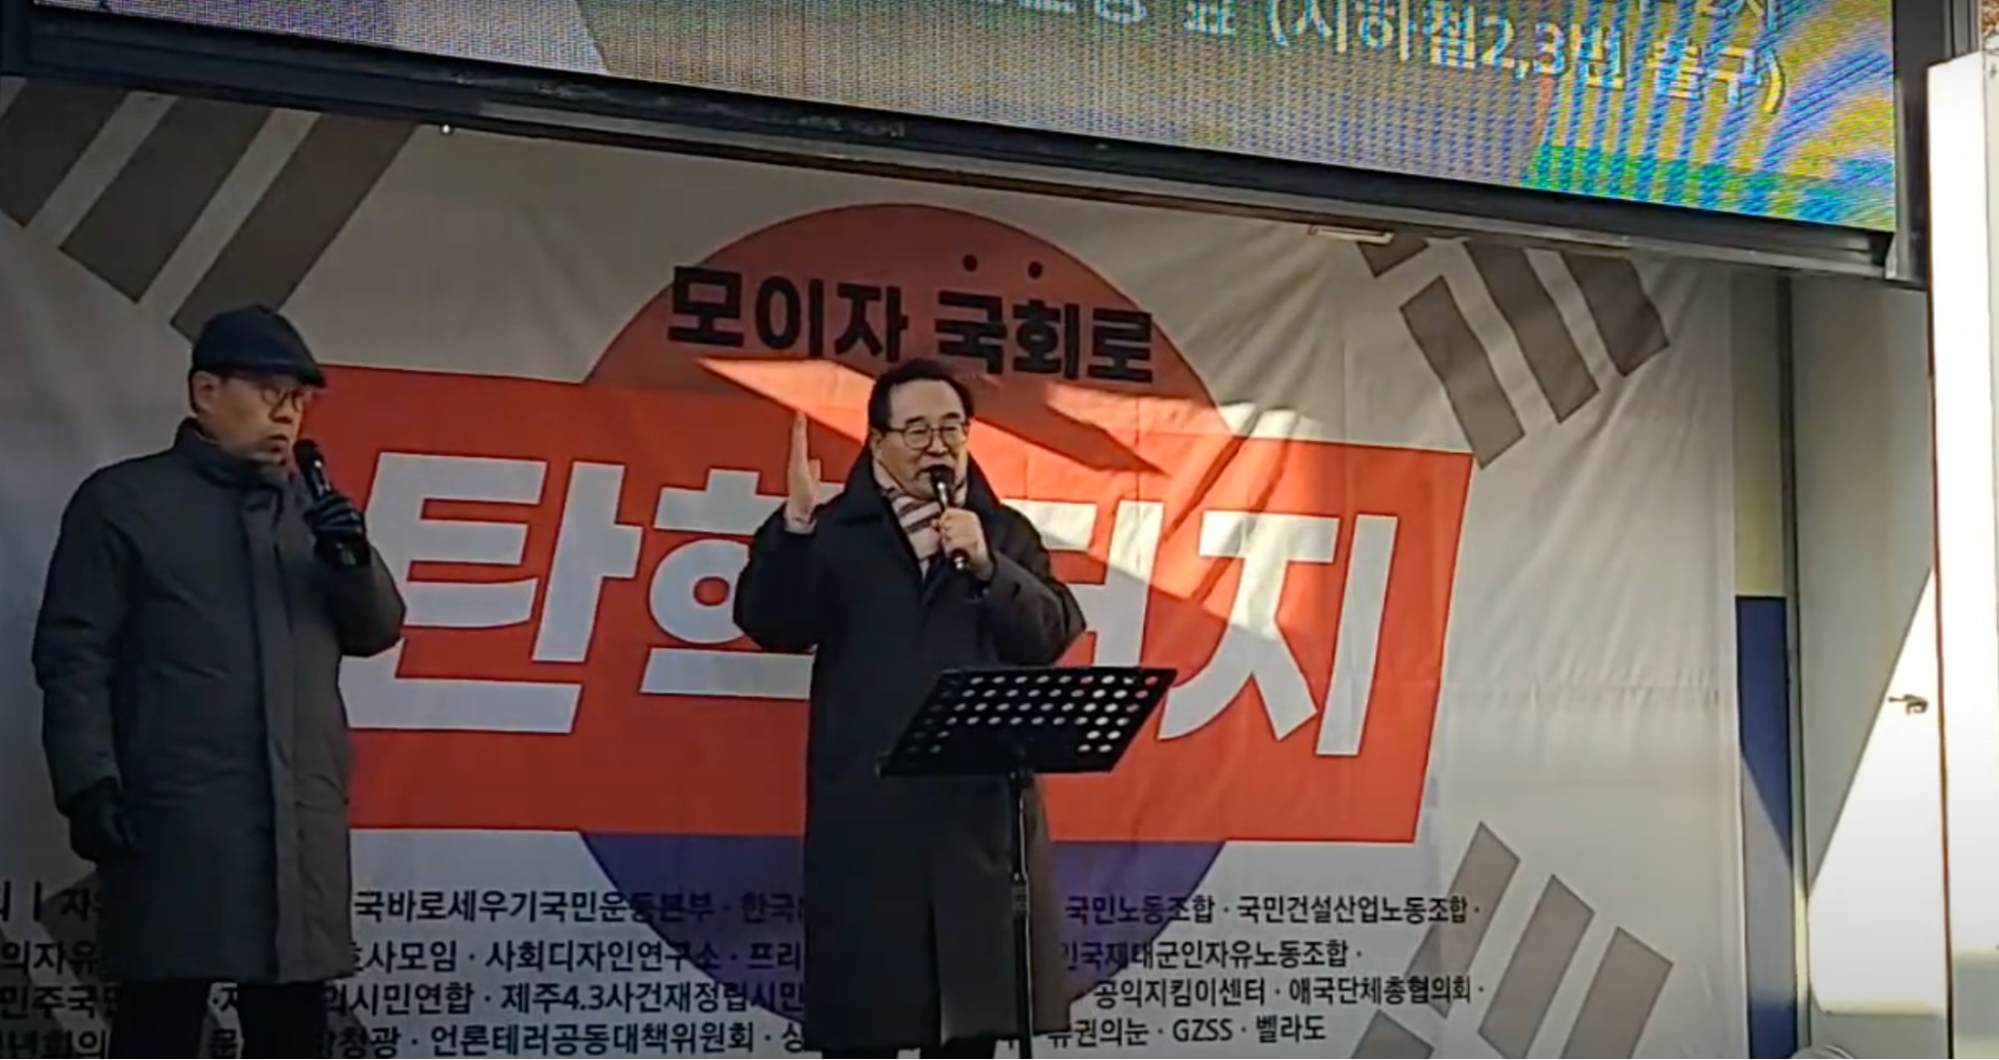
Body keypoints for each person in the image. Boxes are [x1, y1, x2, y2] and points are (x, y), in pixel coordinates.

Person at [31, 305, 408, 1059]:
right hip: (176, 815)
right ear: (206, 390)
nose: (286, 412)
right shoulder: (124, 503)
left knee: (293, 1020)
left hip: (297, 820)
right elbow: (75, 654)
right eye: (268, 391)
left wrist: (352, 561)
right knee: (162, 1018)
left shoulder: (311, 512)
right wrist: (89, 783)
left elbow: (377, 631)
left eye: (298, 398)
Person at [734, 358, 1087, 1058]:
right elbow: (774, 623)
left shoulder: (1001, 532)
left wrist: (990, 568)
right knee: (864, 1022)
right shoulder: (836, 531)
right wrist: (794, 531)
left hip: (975, 812)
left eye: (952, 428)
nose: (937, 446)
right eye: (918, 430)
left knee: (969, 1026)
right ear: (878, 440)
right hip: (872, 811)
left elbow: (1049, 635)